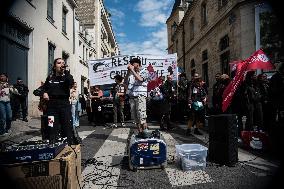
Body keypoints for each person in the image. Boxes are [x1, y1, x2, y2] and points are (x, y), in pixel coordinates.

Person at [41, 58, 80, 145]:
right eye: (59, 63)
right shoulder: (50, 77)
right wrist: (44, 93)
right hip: (52, 106)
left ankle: (68, 145)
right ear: (54, 67)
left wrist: (65, 71)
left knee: (66, 126)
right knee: (51, 125)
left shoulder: (67, 76)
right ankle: (52, 144)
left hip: (64, 104)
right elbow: (43, 88)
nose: (62, 65)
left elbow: (71, 82)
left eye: (63, 63)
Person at [124, 58, 149, 136]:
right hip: (132, 97)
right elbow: (125, 82)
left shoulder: (145, 71)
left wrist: (132, 71)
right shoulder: (131, 73)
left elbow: (140, 79)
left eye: (132, 64)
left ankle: (145, 134)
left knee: (142, 117)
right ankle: (140, 133)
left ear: (137, 64)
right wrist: (128, 72)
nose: (131, 65)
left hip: (140, 96)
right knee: (135, 118)